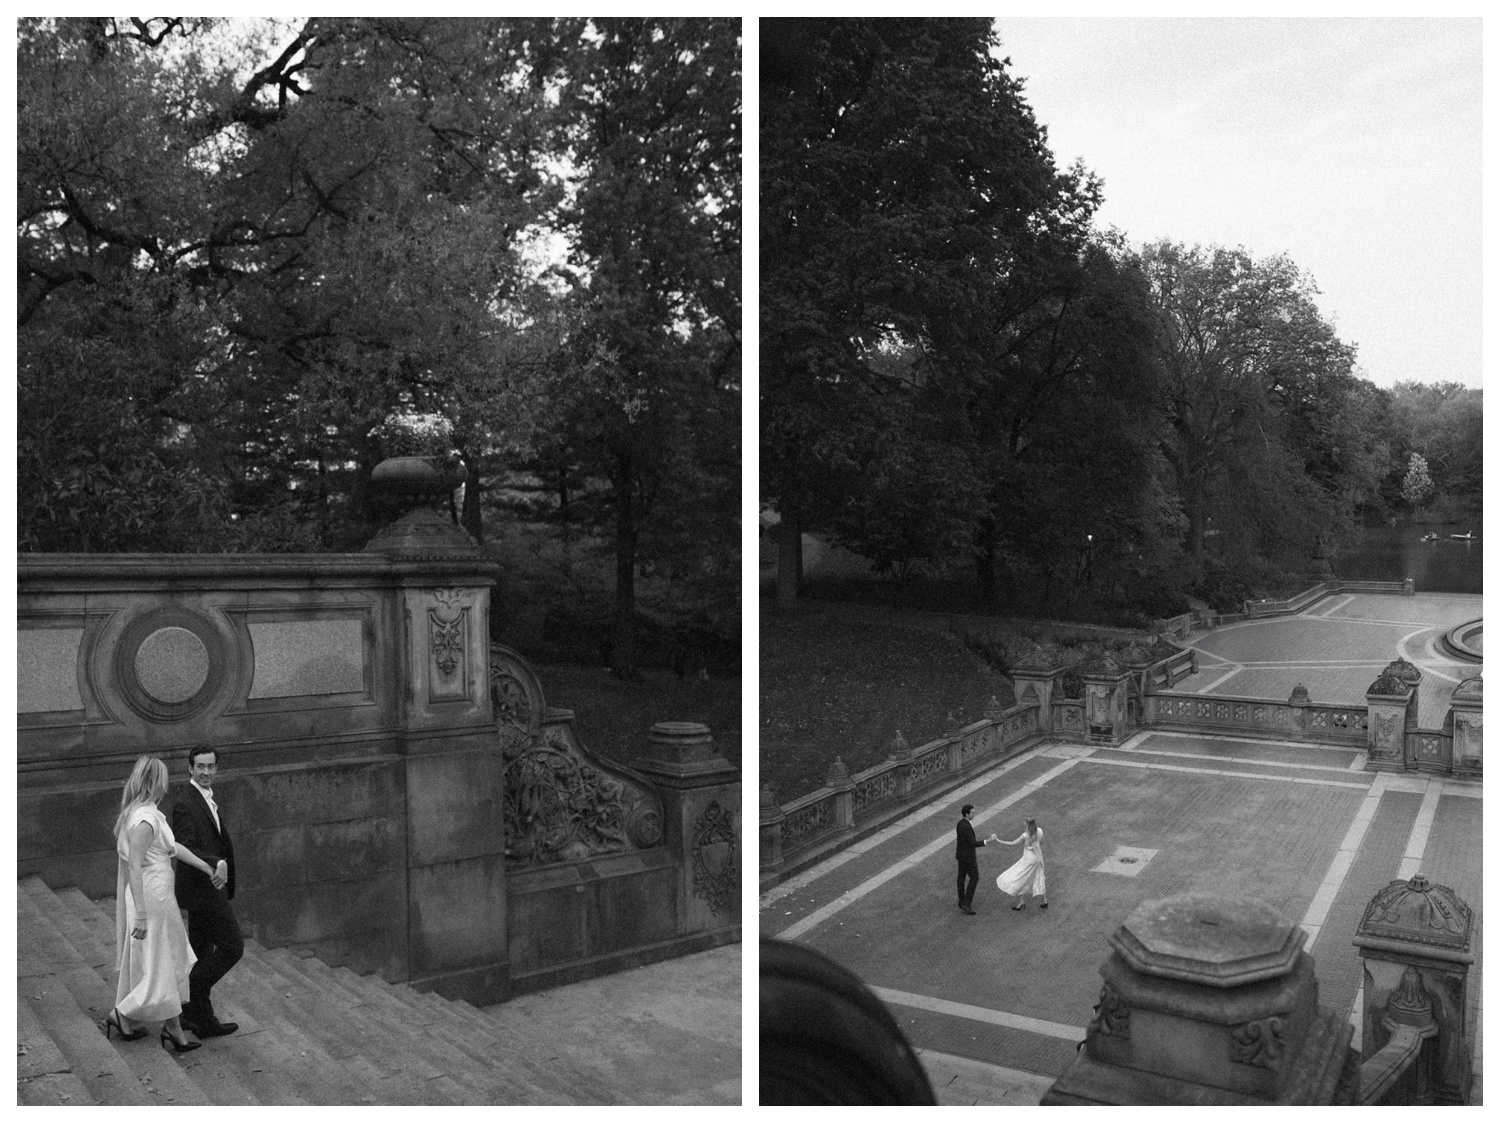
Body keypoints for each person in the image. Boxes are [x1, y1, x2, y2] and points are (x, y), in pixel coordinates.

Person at [104, 755, 225, 1053]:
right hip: (153, 897)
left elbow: (173, 846)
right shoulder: (145, 819)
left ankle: (160, 1025)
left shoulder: (143, 813)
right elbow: (134, 865)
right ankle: (129, 1015)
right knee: (162, 961)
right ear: (156, 782)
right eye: (164, 778)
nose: (167, 784)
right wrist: (141, 915)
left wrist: (205, 866)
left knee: (164, 960)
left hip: (157, 895)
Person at [171, 747, 243, 1038]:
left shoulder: (205, 798)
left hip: (207, 889)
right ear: (190, 768)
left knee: (201, 953)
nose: (206, 772)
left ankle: (201, 1019)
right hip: (203, 890)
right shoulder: (185, 803)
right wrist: (216, 863)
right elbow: (184, 846)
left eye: (211, 766)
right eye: (200, 766)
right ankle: (188, 997)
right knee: (233, 947)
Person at [995, 816, 1048, 910]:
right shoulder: (1040, 831)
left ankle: (1021, 902)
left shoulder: (1025, 835)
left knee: (1021, 879)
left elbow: (1012, 843)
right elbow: (1041, 842)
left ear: (1027, 824)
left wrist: (998, 840)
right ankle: (1044, 900)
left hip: (1028, 859)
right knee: (1039, 878)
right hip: (1037, 859)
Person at [954, 804, 993, 915]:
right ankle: (967, 903)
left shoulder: (960, 823)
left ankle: (961, 900)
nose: (974, 815)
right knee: (974, 878)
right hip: (968, 858)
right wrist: (987, 841)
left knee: (961, 878)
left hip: (961, 856)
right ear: (967, 814)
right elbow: (973, 843)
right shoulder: (967, 827)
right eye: (972, 813)